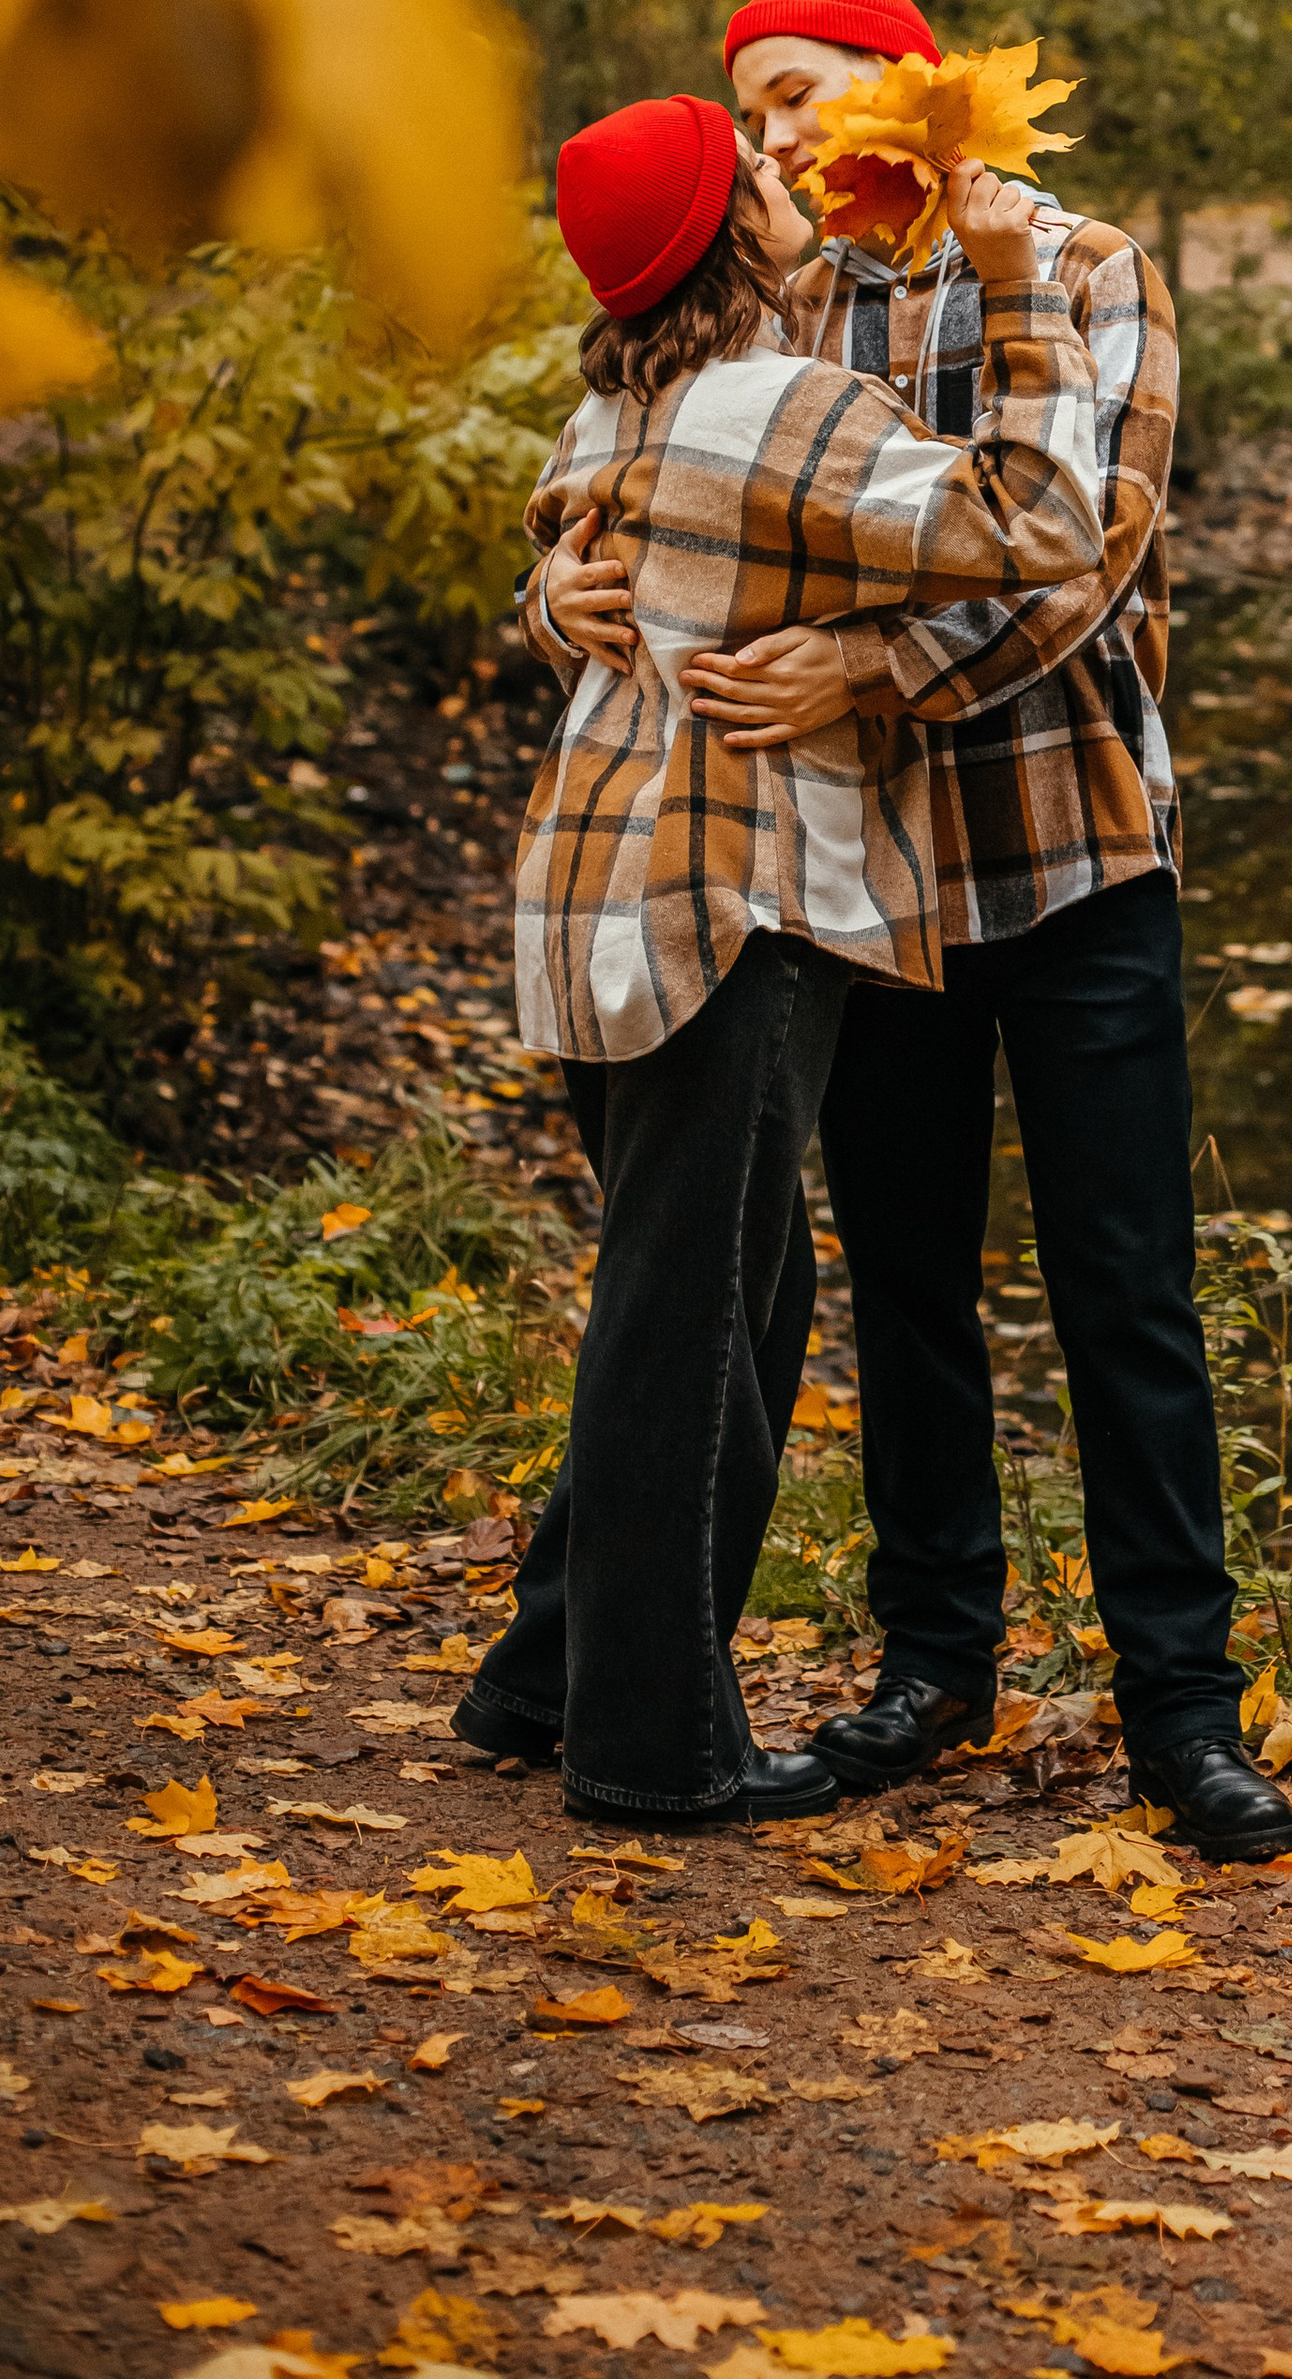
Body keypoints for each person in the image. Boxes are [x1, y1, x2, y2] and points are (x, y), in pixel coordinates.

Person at [542, 0, 1292, 1864]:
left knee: (1127, 1286)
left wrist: (869, 668)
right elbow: (643, 462)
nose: (779, 135)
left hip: (1072, 846)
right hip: (869, 879)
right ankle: (932, 1668)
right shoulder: (789, 291)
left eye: (801, 93)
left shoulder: (1084, 260)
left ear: (909, 79)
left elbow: (1089, 563)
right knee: (906, 1278)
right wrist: (562, 585)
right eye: (756, 110)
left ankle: (1180, 1714)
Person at [461, 91, 1103, 1830]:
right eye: (755, 170)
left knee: (721, 1299)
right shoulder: (776, 403)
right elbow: (1038, 519)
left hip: (599, 889)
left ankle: (542, 1681)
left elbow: (567, 536)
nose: (786, 173)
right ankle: (652, 1751)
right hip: (722, 901)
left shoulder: (621, 393)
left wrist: (549, 592)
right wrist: (1021, 294)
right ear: (735, 236)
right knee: (692, 1322)